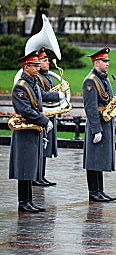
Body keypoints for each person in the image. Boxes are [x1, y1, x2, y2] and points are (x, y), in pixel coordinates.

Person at [9, 50, 63, 212]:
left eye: (38, 65)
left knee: (31, 165)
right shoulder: (20, 87)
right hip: (24, 130)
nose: (38, 68)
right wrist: (44, 120)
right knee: (24, 167)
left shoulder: (33, 84)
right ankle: (23, 202)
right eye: (35, 65)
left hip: (33, 130)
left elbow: (41, 100)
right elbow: (25, 110)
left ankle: (29, 201)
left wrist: (57, 97)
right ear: (26, 67)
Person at [82, 47, 116, 202]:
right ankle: (93, 192)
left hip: (105, 121)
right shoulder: (90, 81)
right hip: (96, 124)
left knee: (99, 159)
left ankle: (100, 190)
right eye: (104, 61)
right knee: (93, 159)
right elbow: (90, 107)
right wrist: (96, 129)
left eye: (107, 61)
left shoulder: (104, 78)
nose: (107, 63)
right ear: (96, 63)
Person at [34, 47, 57, 186]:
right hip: (43, 114)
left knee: (46, 146)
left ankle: (41, 175)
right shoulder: (38, 77)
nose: (47, 63)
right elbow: (41, 95)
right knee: (42, 145)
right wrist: (57, 95)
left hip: (50, 113)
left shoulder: (46, 76)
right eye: (45, 60)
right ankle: (36, 176)